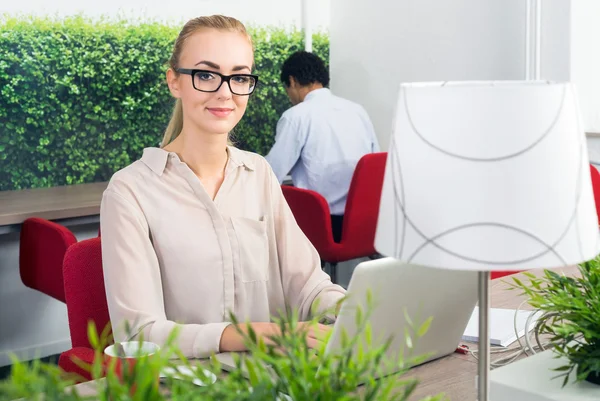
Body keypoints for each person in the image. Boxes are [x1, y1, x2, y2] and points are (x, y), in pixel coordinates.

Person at [99, 15, 345, 359]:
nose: (225, 92)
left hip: (271, 378)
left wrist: (354, 313)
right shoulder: (130, 191)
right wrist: (260, 335)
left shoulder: (257, 172)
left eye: (240, 77)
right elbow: (140, 332)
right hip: (184, 384)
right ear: (175, 82)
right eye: (205, 75)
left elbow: (307, 284)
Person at [265, 51, 380, 243]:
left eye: (287, 89)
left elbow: (271, 174)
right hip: (366, 222)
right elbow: (375, 165)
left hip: (322, 224)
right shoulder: (357, 111)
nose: (289, 97)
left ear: (292, 81)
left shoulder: (296, 116)